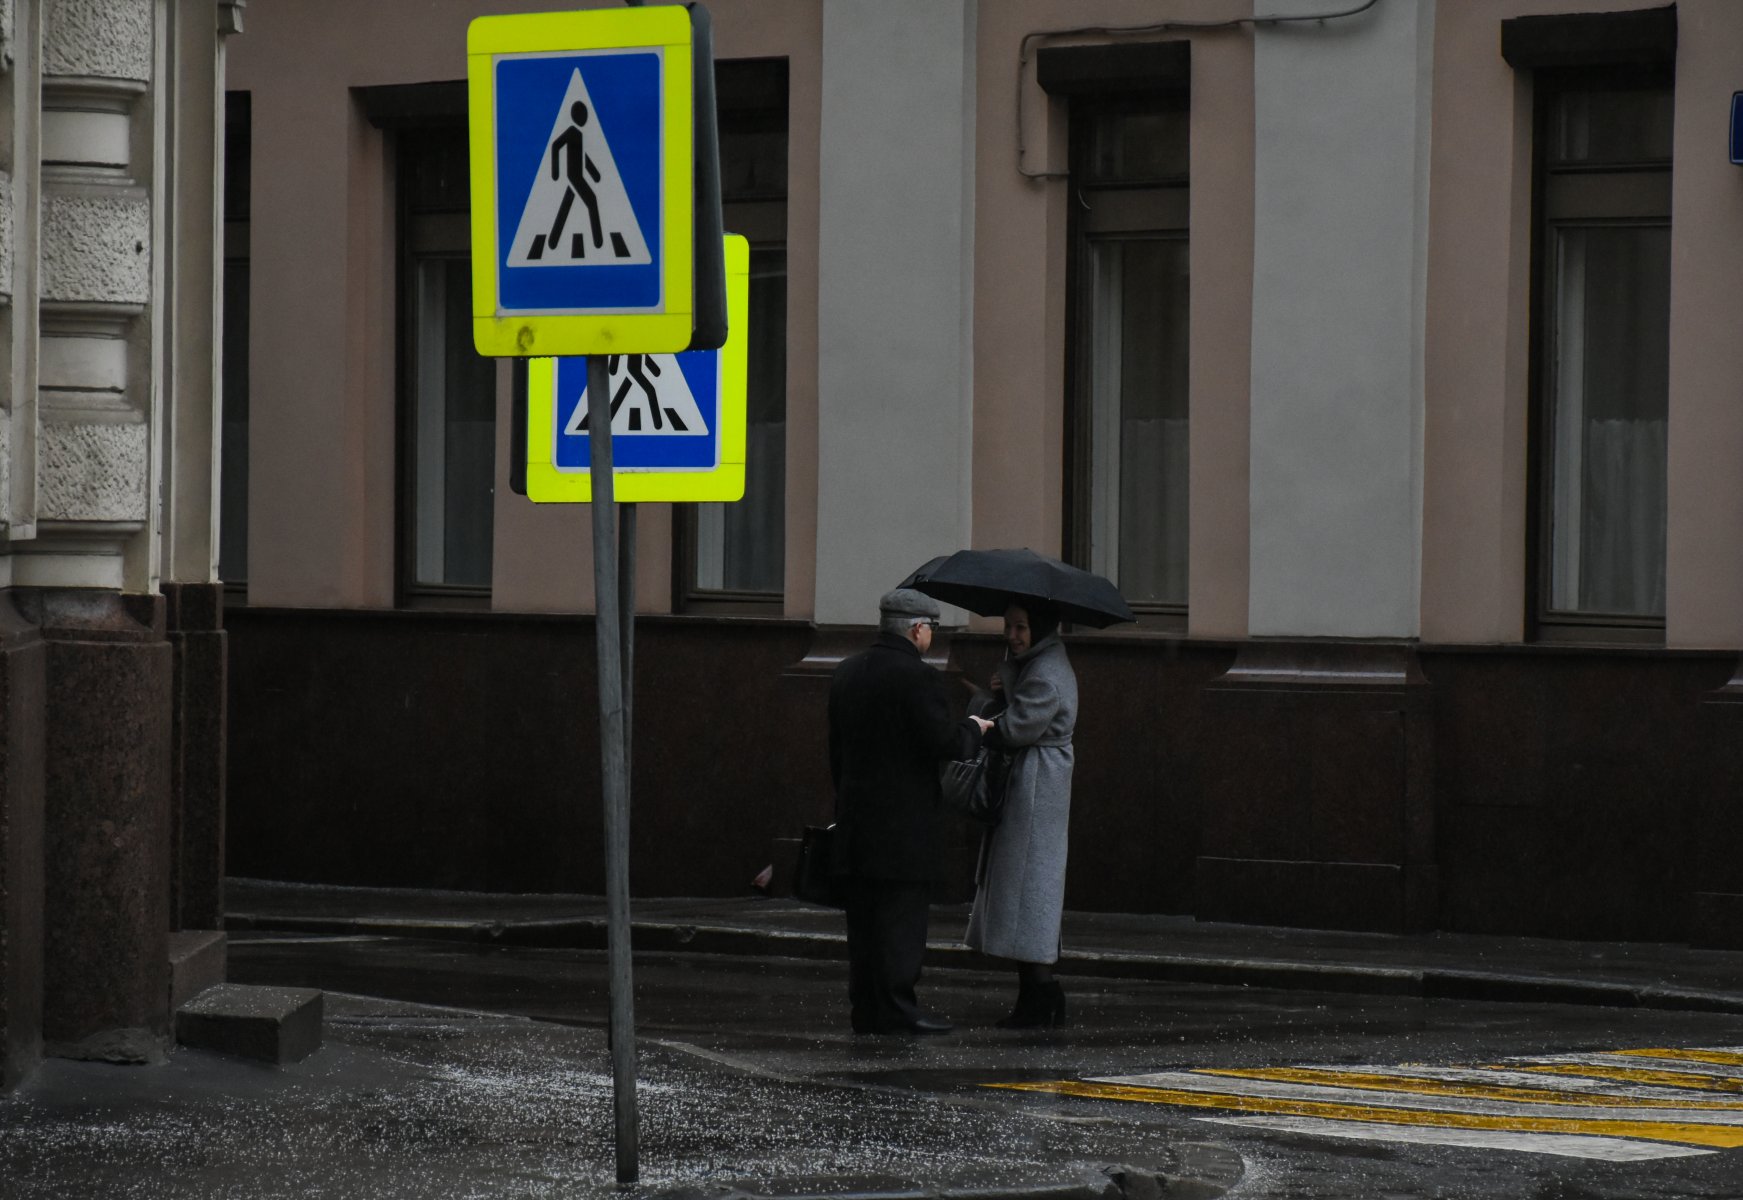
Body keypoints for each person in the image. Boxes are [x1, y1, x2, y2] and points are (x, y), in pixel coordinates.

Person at [828, 588, 990, 1034]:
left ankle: (867, 1008)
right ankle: (898, 1008)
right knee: (900, 923)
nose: (931, 638)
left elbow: (836, 753)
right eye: (931, 629)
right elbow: (943, 742)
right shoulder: (917, 677)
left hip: (857, 825)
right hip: (904, 830)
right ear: (918, 628)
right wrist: (973, 728)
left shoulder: (847, 671)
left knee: (863, 925)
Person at [965, 599, 1078, 1027]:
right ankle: (1035, 996)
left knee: (1028, 894)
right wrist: (1005, 686)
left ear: (1042, 629)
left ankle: (1042, 996)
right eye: (1008, 626)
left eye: (1021, 627)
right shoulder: (1038, 664)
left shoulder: (1046, 673)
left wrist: (991, 709)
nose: (1012, 635)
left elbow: (1015, 728)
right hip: (1033, 785)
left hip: (1036, 788)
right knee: (1024, 896)